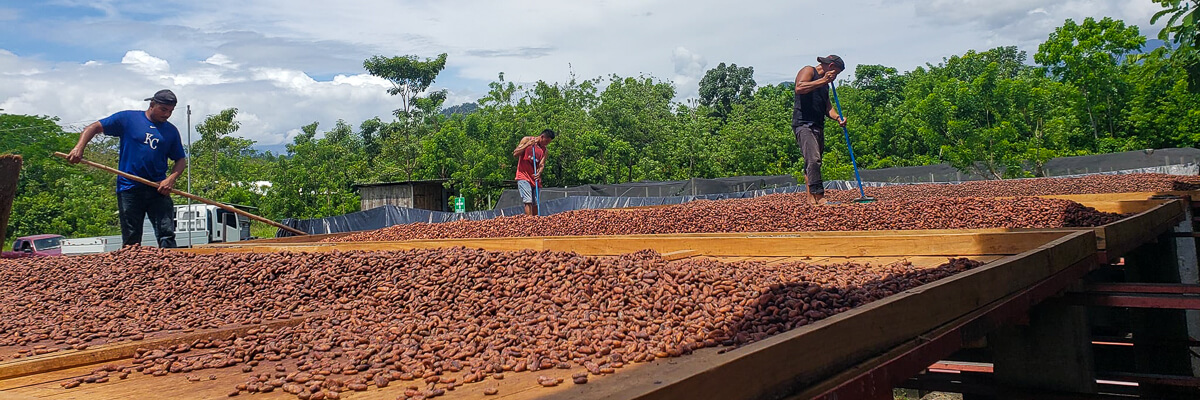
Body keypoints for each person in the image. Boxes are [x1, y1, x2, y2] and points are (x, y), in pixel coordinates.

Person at [67, 90, 187, 248]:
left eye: (170, 111)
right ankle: (133, 266)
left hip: (158, 188)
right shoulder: (128, 119)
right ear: (152, 105)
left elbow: (180, 160)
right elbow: (93, 127)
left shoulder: (170, 131)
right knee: (131, 236)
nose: (167, 115)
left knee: (166, 233)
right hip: (129, 187)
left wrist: (170, 179)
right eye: (163, 110)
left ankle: (170, 266)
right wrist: (79, 148)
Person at [793, 55, 848, 205]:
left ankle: (811, 201)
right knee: (813, 160)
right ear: (830, 67)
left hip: (818, 124)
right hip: (804, 124)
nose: (835, 77)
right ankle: (819, 196)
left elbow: (827, 107)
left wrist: (837, 118)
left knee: (811, 164)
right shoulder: (809, 71)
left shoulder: (825, 85)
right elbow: (800, 87)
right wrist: (823, 80)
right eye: (836, 73)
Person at [512, 129, 556, 216]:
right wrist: (527, 145)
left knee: (535, 202)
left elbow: (541, 164)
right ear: (542, 137)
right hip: (523, 175)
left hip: (534, 178)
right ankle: (530, 222)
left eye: (548, 142)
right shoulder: (527, 140)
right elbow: (515, 153)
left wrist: (539, 173)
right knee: (528, 200)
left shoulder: (544, 151)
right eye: (546, 141)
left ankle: (536, 222)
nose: (546, 144)